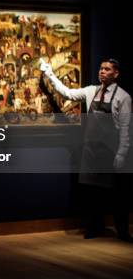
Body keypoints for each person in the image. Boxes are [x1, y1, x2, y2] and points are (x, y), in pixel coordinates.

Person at [40, 58, 132, 242]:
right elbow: (67, 93)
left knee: (117, 195)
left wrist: (122, 153)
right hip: (90, 149)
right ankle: (94, 228)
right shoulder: (92, 91)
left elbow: (125, 128)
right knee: (91, 193)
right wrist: (49, 74)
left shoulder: (124, 97)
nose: (102, 71)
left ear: (116, 73)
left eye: (107, 69)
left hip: (110, 150)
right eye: (101, 68)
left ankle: (122, 231)